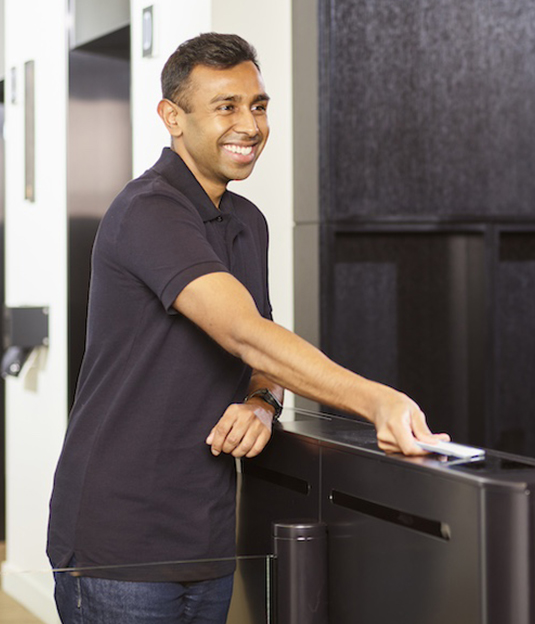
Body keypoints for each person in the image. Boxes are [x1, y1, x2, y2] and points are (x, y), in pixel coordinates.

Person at [47, 33, 446, 623]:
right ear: (172, 118)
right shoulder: (148, 210)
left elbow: (262, 345)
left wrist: (261, 400)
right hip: (121, 545)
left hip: (205, 535)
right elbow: (244, 333)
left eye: (258, 105)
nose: (249, 125)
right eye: (225, 106)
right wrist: (377, 401)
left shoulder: (247, 221)